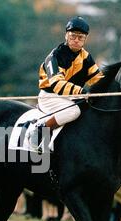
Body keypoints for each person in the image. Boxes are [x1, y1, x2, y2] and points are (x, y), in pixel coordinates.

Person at [27, 16, 104, 150]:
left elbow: (98, 79)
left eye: (80, 37)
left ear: (85, 39)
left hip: (71, 96)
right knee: (74, 111)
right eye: (73, 36)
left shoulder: (86, 57)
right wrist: (82, 92)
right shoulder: (55, 56)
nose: (76, 40)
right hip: (50, 96)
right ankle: (40, 128)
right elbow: (57, 85)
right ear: (66, 36)